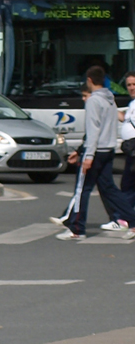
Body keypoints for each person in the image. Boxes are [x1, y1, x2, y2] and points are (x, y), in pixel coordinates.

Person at [58, 66, 135, 240]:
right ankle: (132, 219)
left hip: (96, 150)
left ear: (90, 80)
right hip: (108, 149)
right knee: (109, 189)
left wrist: (88, 155)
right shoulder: (110, 99)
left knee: (82, 190)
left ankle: (77, 229)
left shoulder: (94, 101)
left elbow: (93, 129)